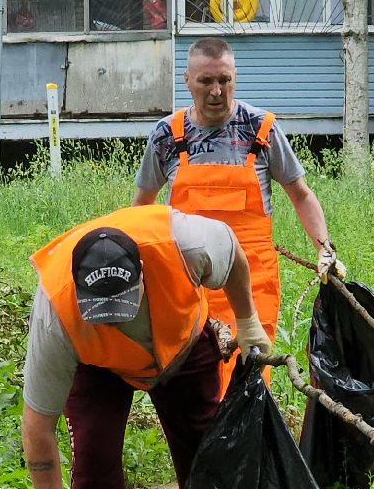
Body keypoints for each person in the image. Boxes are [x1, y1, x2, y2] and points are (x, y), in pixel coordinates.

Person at [23, 203, 270, 489]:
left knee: (208, 453)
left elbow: (233, 254)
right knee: (95, 456)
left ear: (141, 272)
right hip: (97, 366)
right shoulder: (56, 311)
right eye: (102, 313)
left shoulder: (185, 244)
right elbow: (37, 424)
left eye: (123, 307)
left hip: (183, 342)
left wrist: (247, 320)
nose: (115, 324)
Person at [132, 38, 345, 390]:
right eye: (206, 81)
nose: (216, 91)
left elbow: (301, 194)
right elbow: (141, 207)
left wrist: (325, 249)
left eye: (225, 80)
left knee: (249, 378)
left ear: (235, 77)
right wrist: (134, 262)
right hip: (187, 281)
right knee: (194, 380)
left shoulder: (261, 130)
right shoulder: (167, 135)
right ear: (187, 80)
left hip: (253, 282)